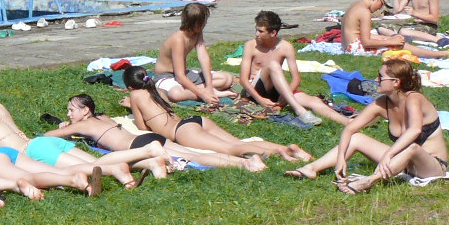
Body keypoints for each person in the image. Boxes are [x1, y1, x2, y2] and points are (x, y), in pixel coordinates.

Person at [0, 76, 165, 188]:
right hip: (39, 142)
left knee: (91, 166)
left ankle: (139, 155)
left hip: (31, 150)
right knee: (94, 162)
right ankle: (149, 162)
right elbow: (16, 130)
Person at [284, 59, 449, 193]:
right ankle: (312, 168)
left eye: (380, 77)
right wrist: (341, 158)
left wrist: (389, 154)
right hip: (403, 164)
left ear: (395, 82)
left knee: (413, 147)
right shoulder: (382, 103)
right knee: (357, 137)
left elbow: (415, 130)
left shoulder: (414, 98)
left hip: (432, 167)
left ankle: (369, 181)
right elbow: (350, 128)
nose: (376, 80)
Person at [122, 66, 309, 165]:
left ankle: (282, 153)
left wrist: (131, 106)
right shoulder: (158, 91)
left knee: (231, 148)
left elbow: (142, 127)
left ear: (130, 87)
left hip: (183, 132)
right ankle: (287, 149)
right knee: (238, 143)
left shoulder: (135, 95)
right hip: (196, 121)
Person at [44, 93, 253, 171]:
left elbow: (47, 137)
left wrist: (65, 127)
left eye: (72, 110)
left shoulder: (82, 125)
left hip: (139, 145)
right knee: (194, 154)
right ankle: (244, 161)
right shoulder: (103, 117)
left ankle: (244, 164)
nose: (69, 114)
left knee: (194, 158)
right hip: (147, 138)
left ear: (85, 111)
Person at [238, 11, 350, 126]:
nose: (256, 34)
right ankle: (300, 111)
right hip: (255, 89)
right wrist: (260, 99)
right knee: (273, 65)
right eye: (256, 30)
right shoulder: (251, 45)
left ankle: (348, 123)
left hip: (275, 89)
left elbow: (296, 79)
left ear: (273, 33)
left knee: (314, 101)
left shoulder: (285, 47)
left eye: (261, 31)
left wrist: (285, 98)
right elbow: (243, 79)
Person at [154, 2, 236, 104]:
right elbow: (180, 76)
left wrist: (209, 86)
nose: (205, 24)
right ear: (197, 23)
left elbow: (203, 57)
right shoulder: (178, 40)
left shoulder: (197, 32)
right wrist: (203, 95)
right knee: (176, 94)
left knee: (226, 79)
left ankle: (207, 90)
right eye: (204, 21)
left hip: (184, 73)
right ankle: (207, 92)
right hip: (167, 76)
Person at [341, 0, 449, 57]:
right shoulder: (365, 12)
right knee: (399, 45)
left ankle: (437, 53)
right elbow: (366, 42)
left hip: (347, 45)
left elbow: (359, 34)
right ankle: (440, 54)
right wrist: (391, 41)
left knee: (388, 38)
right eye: (382, 4)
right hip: (355, 47)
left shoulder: (355, 5)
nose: (381, 8)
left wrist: (386, 38)